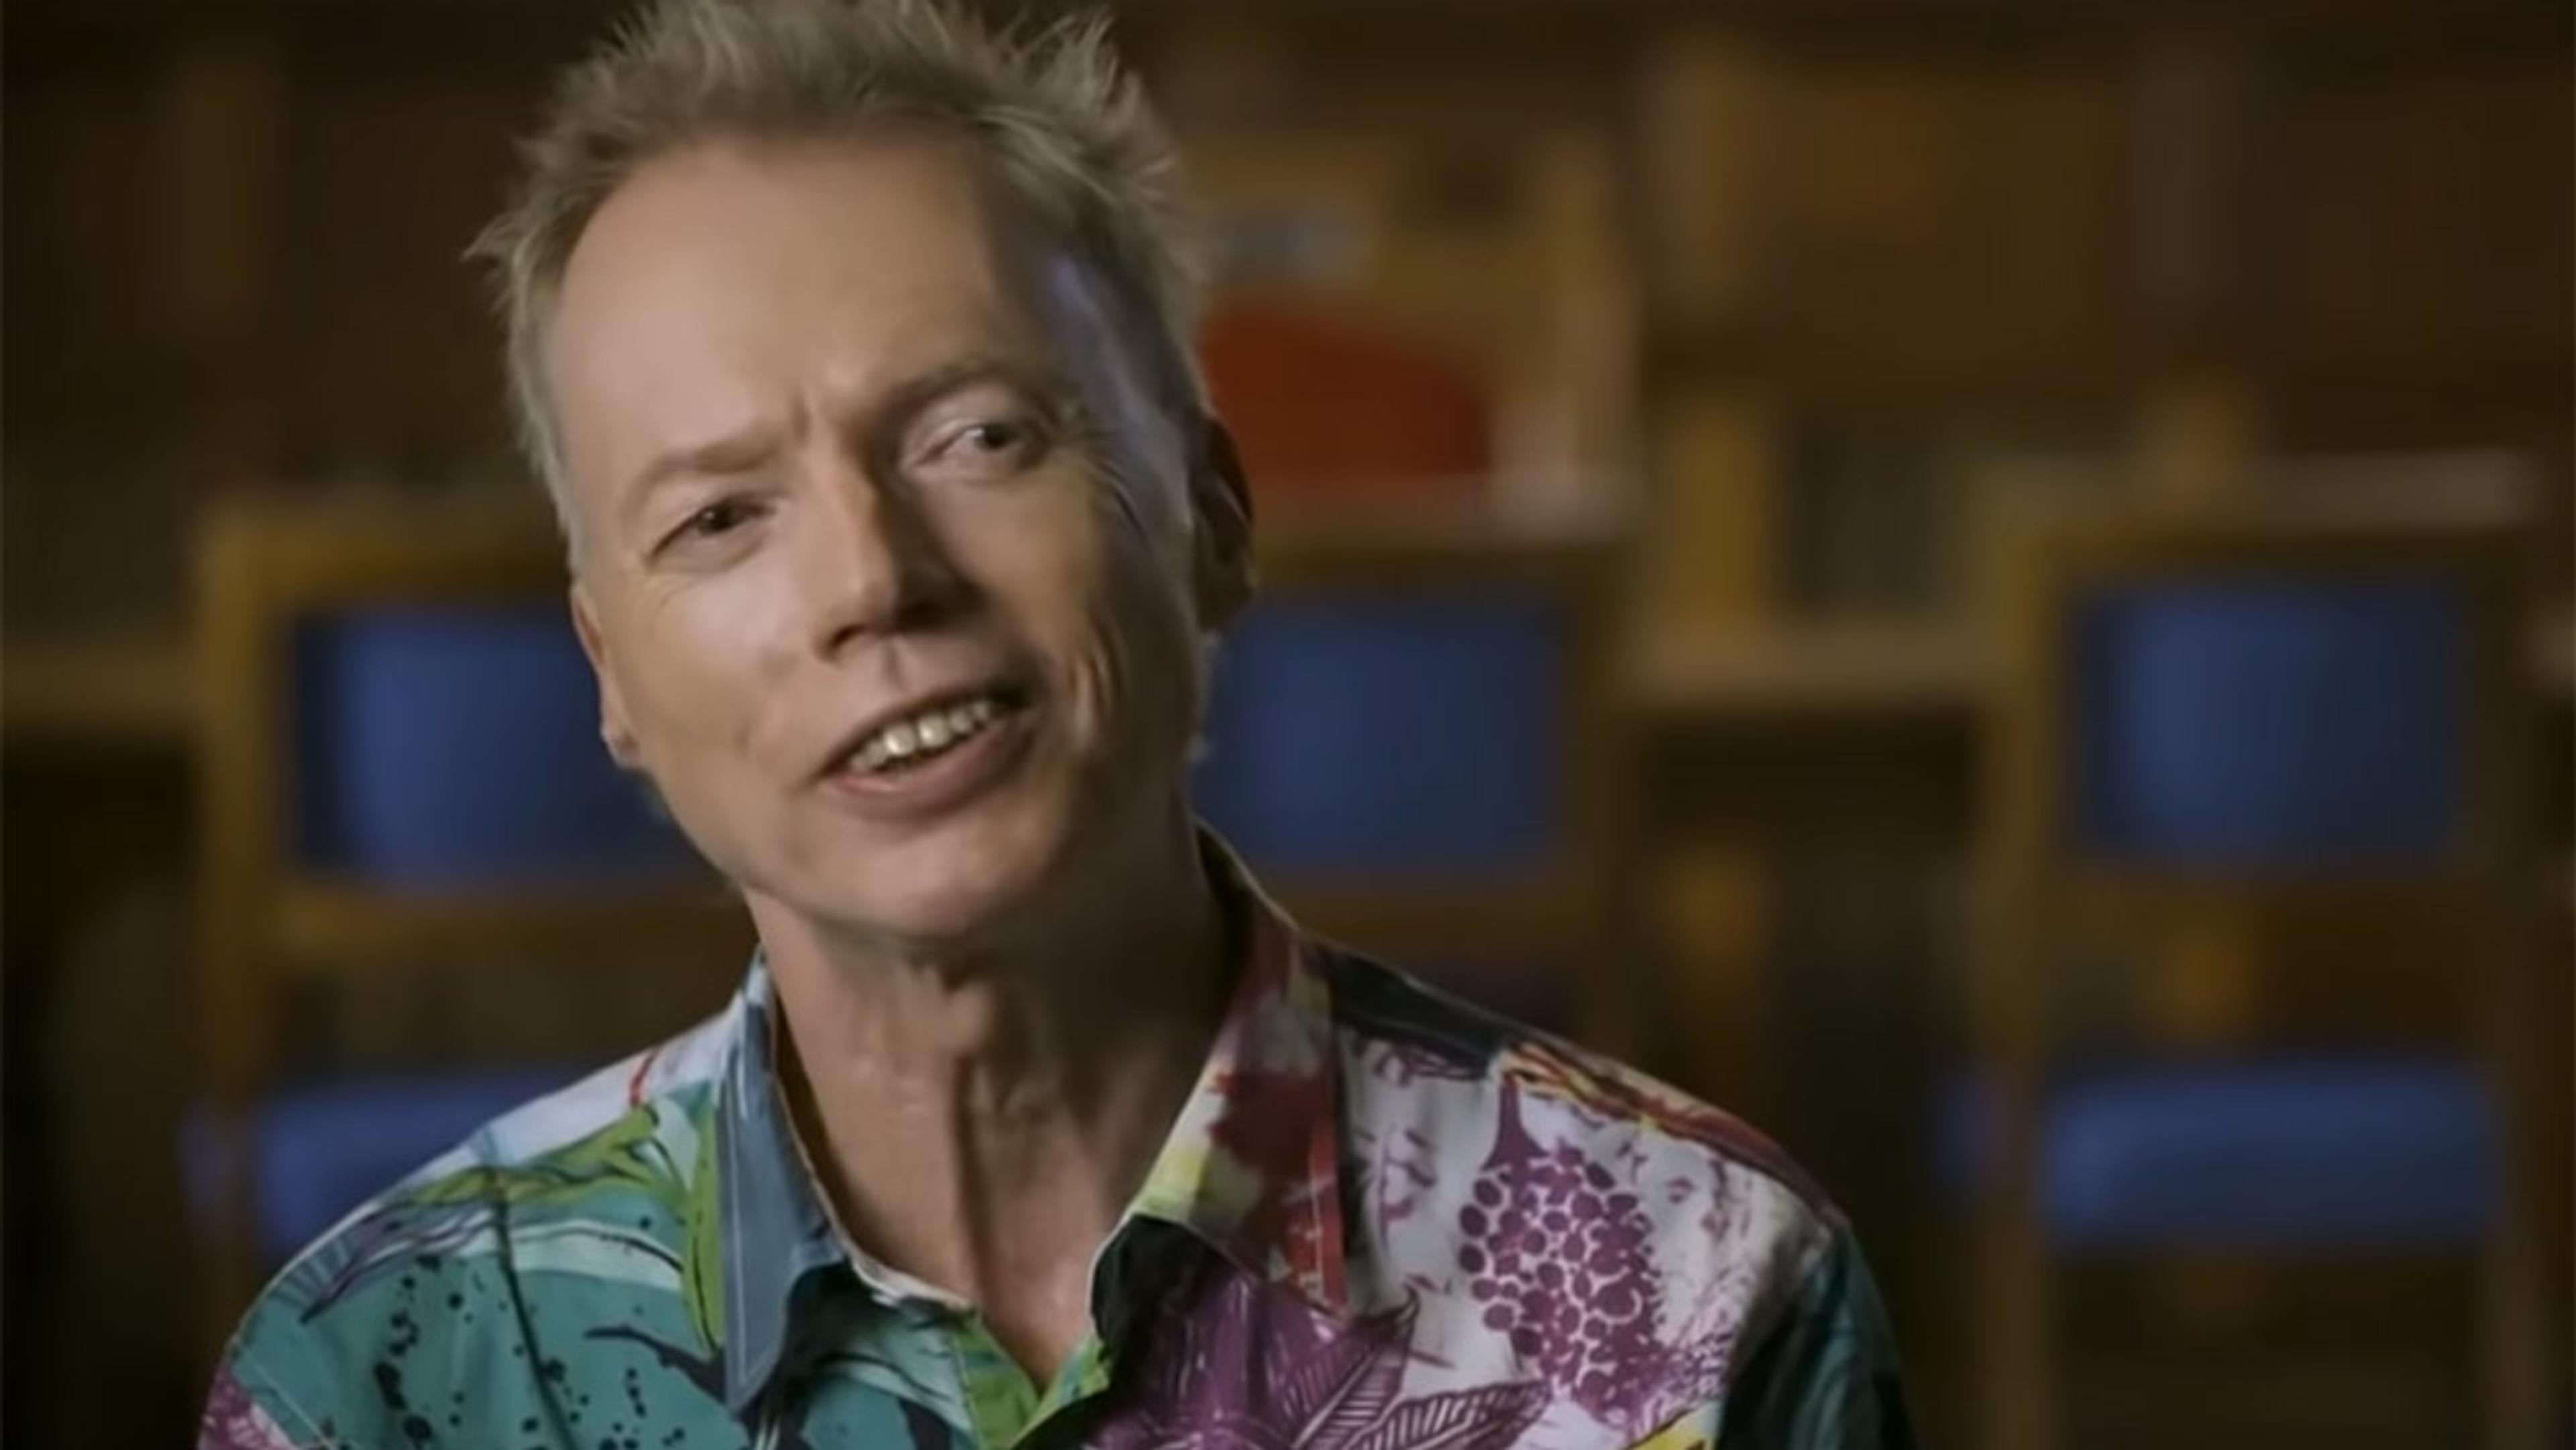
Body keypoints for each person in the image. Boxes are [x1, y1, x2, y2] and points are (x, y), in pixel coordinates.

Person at [198, 1, 1912, 1445]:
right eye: (720, 518)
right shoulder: (382, 1380)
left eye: (980, 436)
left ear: (1212, 514)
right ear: (611, 685)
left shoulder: (1704, 1300)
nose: (874, 577)